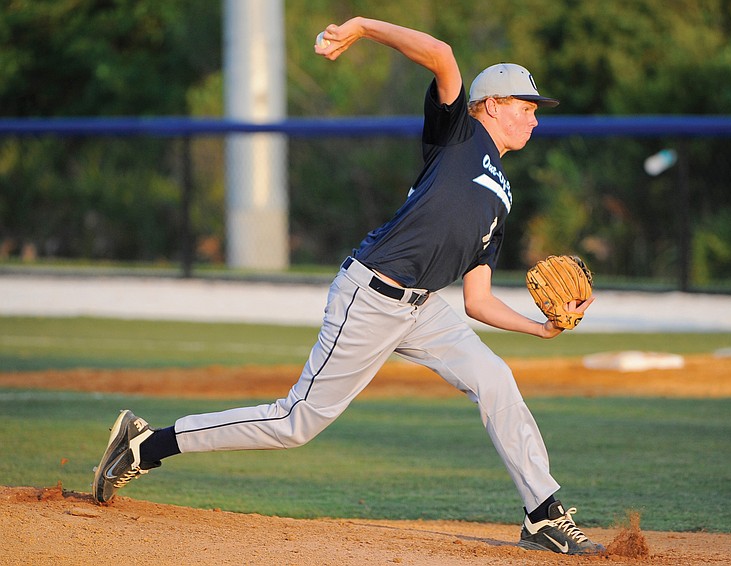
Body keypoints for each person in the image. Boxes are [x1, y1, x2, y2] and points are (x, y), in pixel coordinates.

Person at [92, 16, 603, 556]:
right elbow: (442, 54)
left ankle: (542, 514)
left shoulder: (501, 194)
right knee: (296, 423)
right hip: (372, 294)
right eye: (526, 107)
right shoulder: (459, 134)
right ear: (492, 104)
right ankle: (148, 443)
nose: (534, 119)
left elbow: (476, 300)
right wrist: (360, 26)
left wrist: (540, 328)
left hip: (424, 309)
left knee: (495, 379)